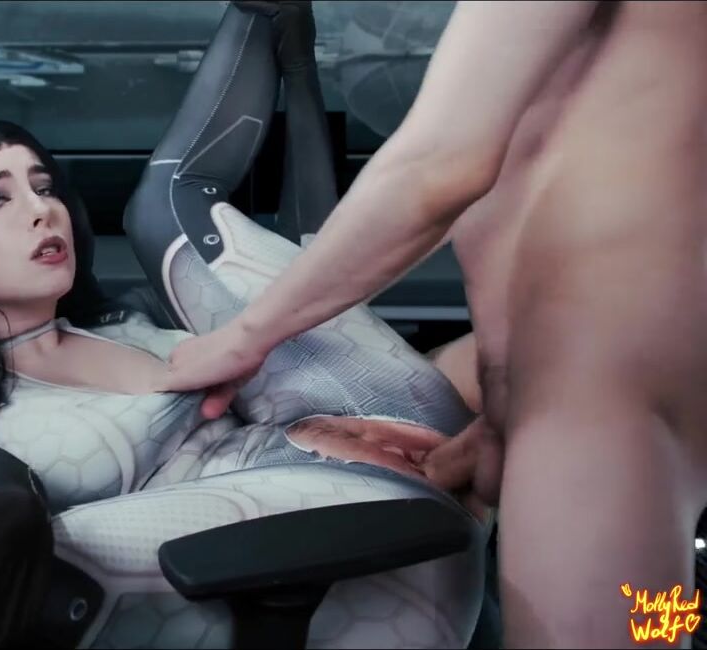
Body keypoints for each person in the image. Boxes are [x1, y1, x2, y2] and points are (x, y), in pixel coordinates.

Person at [0, 2, 495, 646]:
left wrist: (300, 74)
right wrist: (3, 504)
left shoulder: (129, 317)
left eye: (45, 186)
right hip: (341, 558)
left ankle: (270, 14)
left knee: (521, 354)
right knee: (162, 209)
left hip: (416, 455)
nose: (42, 210)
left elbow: (302, 258)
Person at [159, 1, 707, 647]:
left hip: (600, 398)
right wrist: (500, 420)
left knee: (642, 628)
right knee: (649, 620)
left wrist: (244, 337)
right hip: (579, 399)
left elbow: (440, 166)